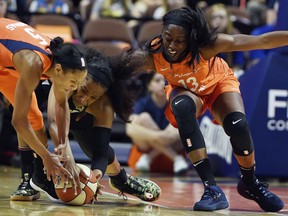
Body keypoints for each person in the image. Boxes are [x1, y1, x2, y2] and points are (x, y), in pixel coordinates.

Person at [111, 6, 287, 212]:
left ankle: (250, 182)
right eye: (168, 38)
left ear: (192, 38)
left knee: (237, 124)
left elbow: (261, 41)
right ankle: (211, 189)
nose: (172, 46)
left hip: (217, 83)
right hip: (185, 91)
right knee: (183, 107)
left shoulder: (207, 46)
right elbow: (116, 68)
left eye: (180, 40)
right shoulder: (153, 54)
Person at [12, 47, 161, 202]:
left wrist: (94, 176)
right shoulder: (67, 83)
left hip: (78, 118)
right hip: (39, 98)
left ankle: (121, 180)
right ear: (79, 78)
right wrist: (68, 159)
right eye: (83, 90)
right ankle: (29, 179)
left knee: (100, 151)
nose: (84, 99)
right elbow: (54, 123)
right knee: (31, 119)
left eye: (93, 97)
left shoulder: (103, 105)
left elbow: (101, 152)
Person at [0, 18, 87, 201]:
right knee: (25, 118)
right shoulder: (34, 64)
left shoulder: (59, 60)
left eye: (78, 83)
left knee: (34, 118)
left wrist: (64, 148)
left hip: (5, 60)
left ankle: (33, 180)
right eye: (73, 82)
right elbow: (18, 121)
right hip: (8, 52)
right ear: (57, 70)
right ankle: (39, 172)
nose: (74, 87)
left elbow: (61, 105)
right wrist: (47, 157)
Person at [126, 72, 189, 175]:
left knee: (179, 121)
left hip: (171, 146)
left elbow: (185, 128)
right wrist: (159, 136)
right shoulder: (142, 103)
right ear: (149, 86)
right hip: (152, 149)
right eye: (157, 80)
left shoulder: (176, 102)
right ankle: (176, 159)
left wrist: (161, 137)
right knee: (143, 118)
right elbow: (129, 129)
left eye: (165, 81)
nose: (162, 84)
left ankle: (148, 157)